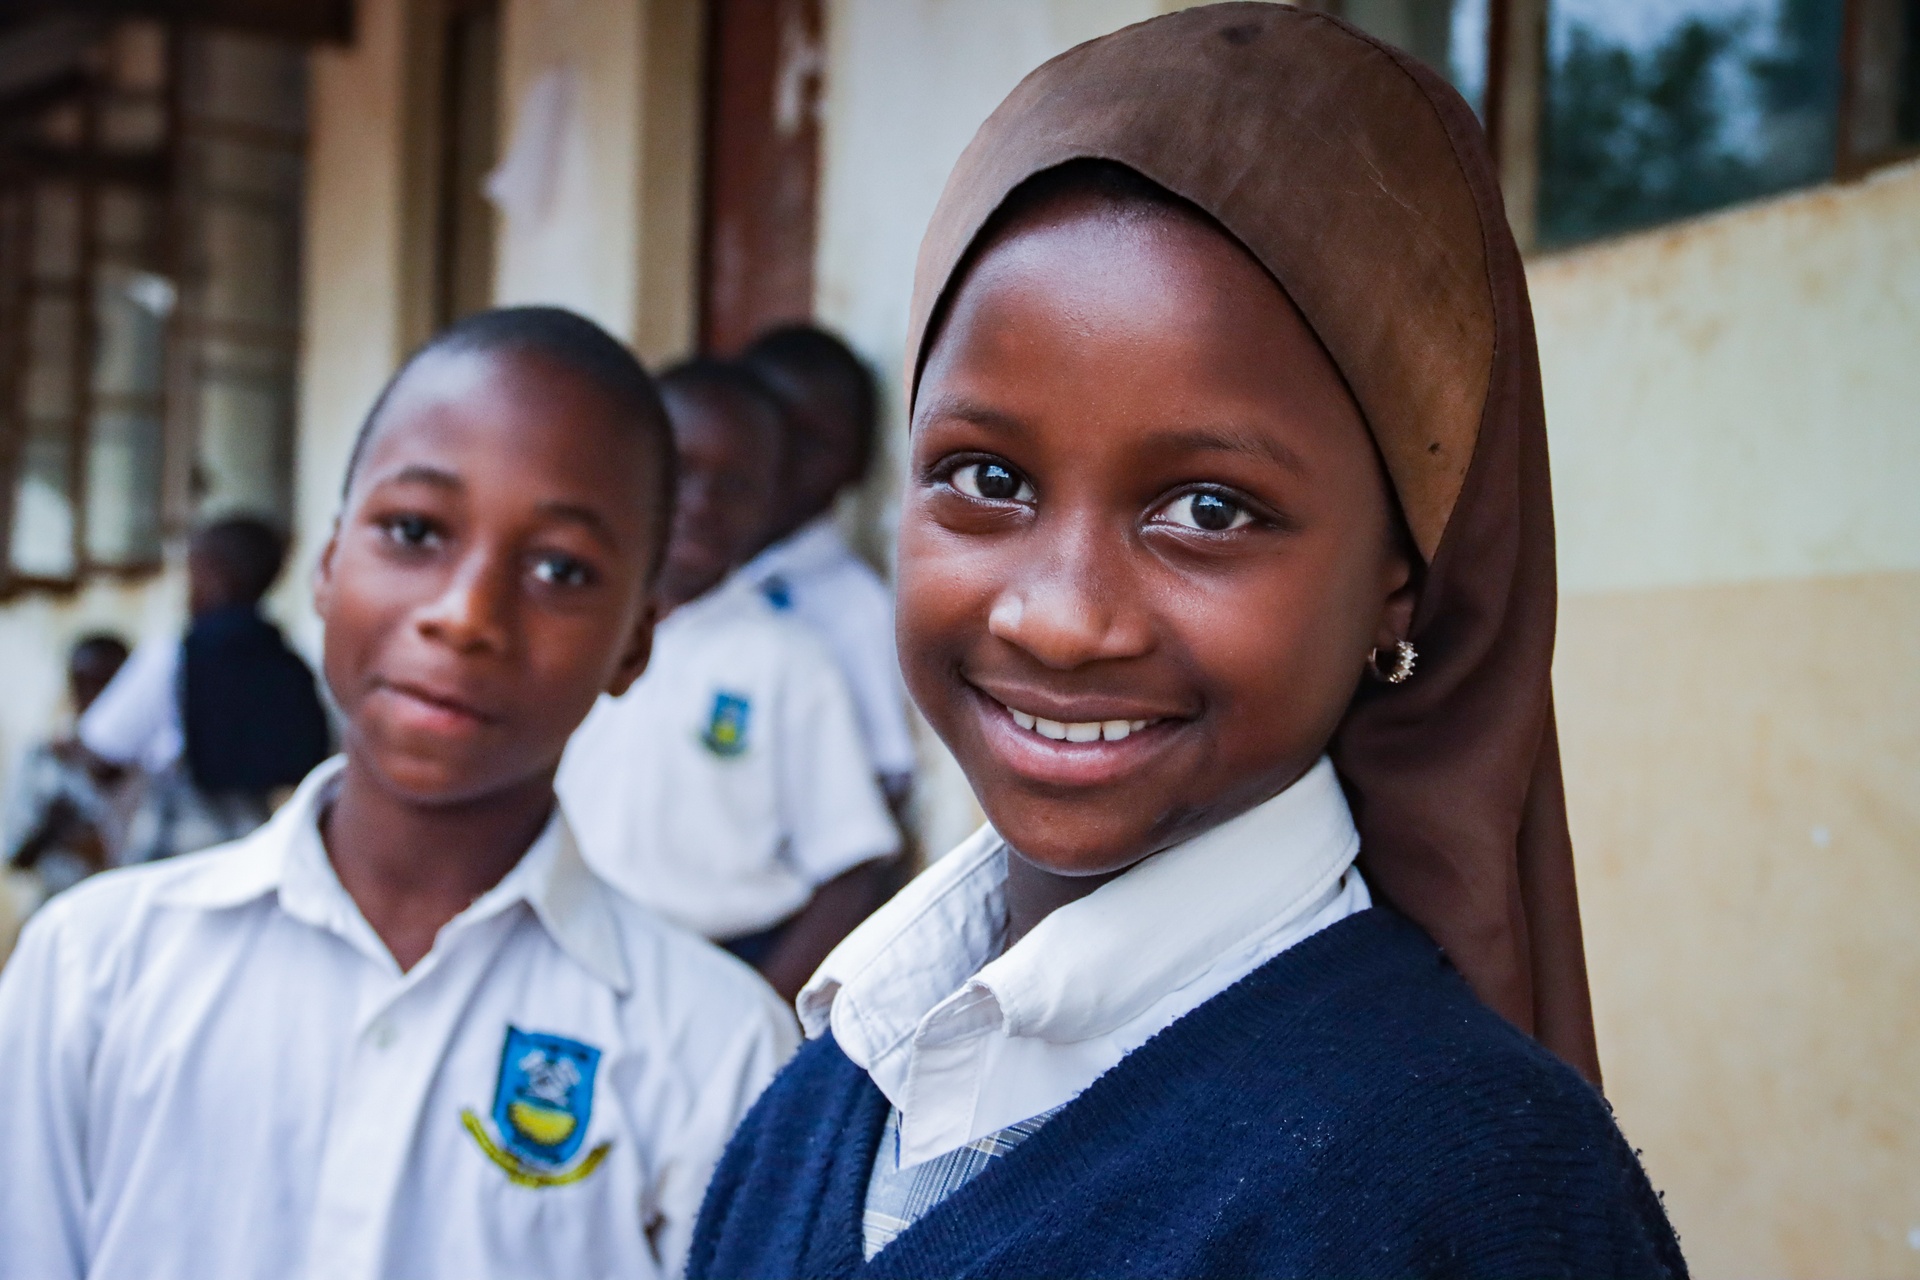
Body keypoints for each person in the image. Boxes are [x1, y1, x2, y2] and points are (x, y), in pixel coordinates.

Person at [689, 10, 1687, 1279]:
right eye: (986, 476)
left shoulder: (1464, 1194)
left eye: (1208, 509)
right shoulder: (827, 1090)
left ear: (1399, 582)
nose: (1058, 614)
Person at [0, 307, 797, 1280]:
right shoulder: (94, 968)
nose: (465, 615)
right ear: (331, 566)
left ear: (635, 640)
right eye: (414, 531)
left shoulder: (713, 1047)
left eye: (561, 568)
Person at [559, 358, 900, 1003]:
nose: (703, 504)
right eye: (682, 471)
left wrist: (762, 1006)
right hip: (557, 961)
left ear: (771, 499)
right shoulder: (564, 628)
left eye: (736, 485)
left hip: (716, 974)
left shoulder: (787, 661)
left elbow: (854, 864)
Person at [79, 515, 332, 861]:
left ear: (216, 577)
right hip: (262, 848)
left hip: (178, 849)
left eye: (192, 574)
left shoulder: (174, 658)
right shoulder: (294, 661)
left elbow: (102, 750)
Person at [739, 327, 918, 804]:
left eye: (813, 442)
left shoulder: (855, 607)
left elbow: (885, 777)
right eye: (767, 428)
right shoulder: (701, 575)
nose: (782, 457)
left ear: (857, 463)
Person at [0, 634, 132, 961]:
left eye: (107, 684)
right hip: (58, 921)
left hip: (125, 927)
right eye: (84, 684)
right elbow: (14, 855)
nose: (95, 696)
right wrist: (53, 830)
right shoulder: (44, 760)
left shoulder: (154, 764)